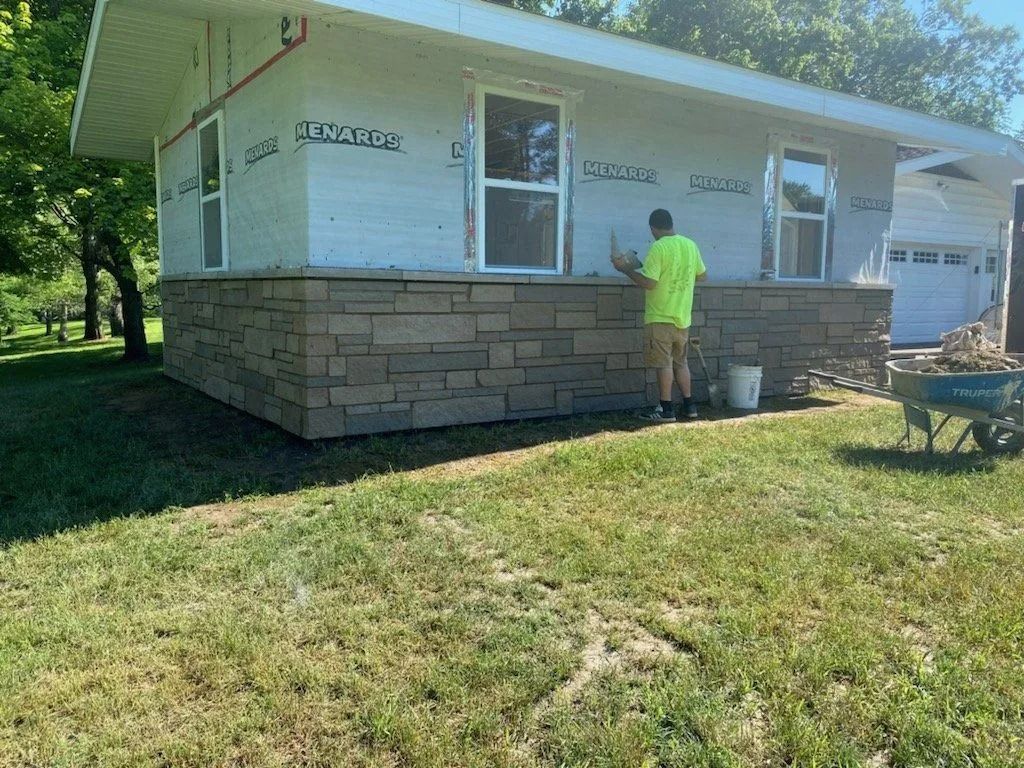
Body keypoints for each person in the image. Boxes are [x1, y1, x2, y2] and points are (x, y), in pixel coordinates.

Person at [612, 209, 707, 422]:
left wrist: (625, 269)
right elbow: (702, 275)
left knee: (663, 363)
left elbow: (649, 282)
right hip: (683, 318)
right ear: (671, 224)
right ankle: (690, 406)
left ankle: (666, 410)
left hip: (660, 317)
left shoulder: (659, 247)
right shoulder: (690, 245)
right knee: (680, 363)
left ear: (653, 228)